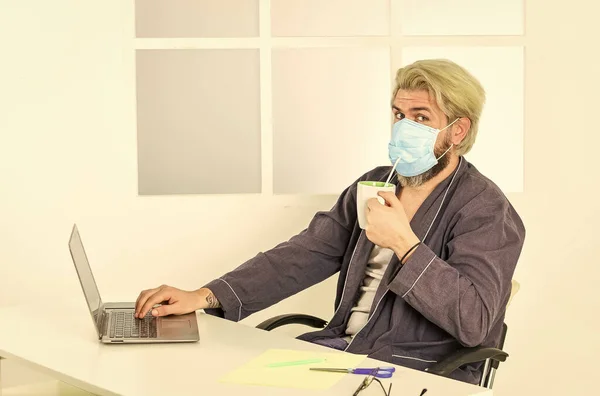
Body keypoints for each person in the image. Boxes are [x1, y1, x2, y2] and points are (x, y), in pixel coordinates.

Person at [134, 59, 525, 385]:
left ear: (458, 130)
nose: (404, 127)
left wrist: (406, 246)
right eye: (399, 114)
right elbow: (304, 254)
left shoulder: (486, 210)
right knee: (221, 380)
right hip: (340, 351)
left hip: (412, 368)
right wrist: (204, 295)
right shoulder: (376, 183)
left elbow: (474, 322)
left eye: (421, 118)